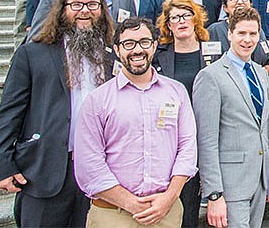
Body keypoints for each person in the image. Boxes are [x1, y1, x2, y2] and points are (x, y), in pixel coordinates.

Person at [0, 0, 115, 228]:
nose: (85, 11)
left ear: (102, 11)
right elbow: (9, 113)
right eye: (77, 4)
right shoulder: (33, 53)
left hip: (99, 172)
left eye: (93, 4)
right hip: (44, 170)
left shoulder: (111, 57)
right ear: (62, 10)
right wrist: (2, 166)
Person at [74, 16, 197, 228]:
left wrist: (169, 197)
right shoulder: (97, 100)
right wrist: (131, 203)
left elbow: (187, 147)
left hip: (165, 211)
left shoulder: (176, 92)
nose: (137, 50)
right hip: (112, 214)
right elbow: (88, 164)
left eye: (144, 42)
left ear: (155, 46)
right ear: (116, 50)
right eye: (128, 44)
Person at [192, 6, 269, 228]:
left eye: (253, 34)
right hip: (230, 184)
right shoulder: (210, 76)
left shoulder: (260, 72)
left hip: (260, 178)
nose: (247, 40)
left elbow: (266, 128)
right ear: (230, 34)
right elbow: (206, 140)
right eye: (241, 33)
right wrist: (213, 193)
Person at [152, 0, 216, 227]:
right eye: (174, 18)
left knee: (190, 205)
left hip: (203, 135)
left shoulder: (213, 52)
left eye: (186, 15)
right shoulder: (159, 55)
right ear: (168, 25)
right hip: (168, 137)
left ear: (195, 18)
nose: (181, 21)